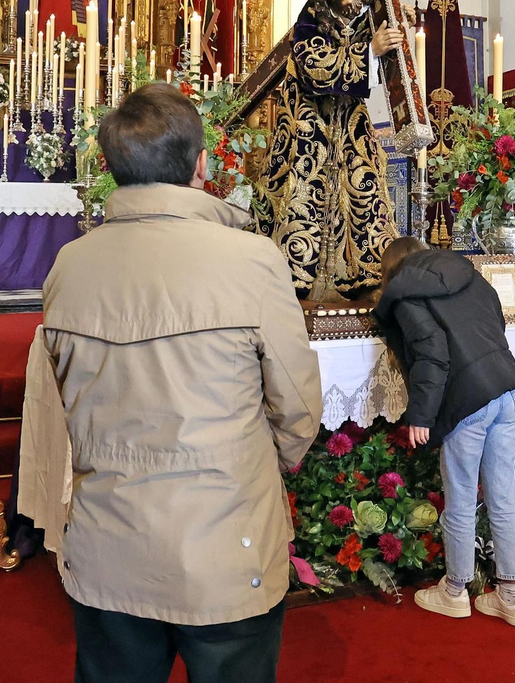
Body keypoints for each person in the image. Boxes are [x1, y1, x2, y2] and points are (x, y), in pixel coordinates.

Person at [41, 84, 322, 683]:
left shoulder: (70, 264)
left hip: (109, 542)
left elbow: (61, 396)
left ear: (112, 167)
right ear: (201, 164)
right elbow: (298, 406)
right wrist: (257, 467)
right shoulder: (252, 259)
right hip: (225, 542)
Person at [372, 236, 515, 628]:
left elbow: (432, 353)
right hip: (507, 390)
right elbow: (496, 323)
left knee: (460, 499)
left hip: (467, 400)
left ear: (392, 270)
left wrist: (421, 416)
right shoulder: (469, 274)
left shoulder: (406, 293)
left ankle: (455, 592)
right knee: (503, 497)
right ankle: (511, 598)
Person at [255, 0, 403, 301]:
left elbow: (381, 58)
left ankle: (366, 278)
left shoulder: (369, 13)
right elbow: (314, 66)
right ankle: (297, 284)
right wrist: (370, 51)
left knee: (364, 194)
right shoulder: (310, 19)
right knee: (303, 199)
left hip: (351, 128)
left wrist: (395, 28)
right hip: (309, 130)